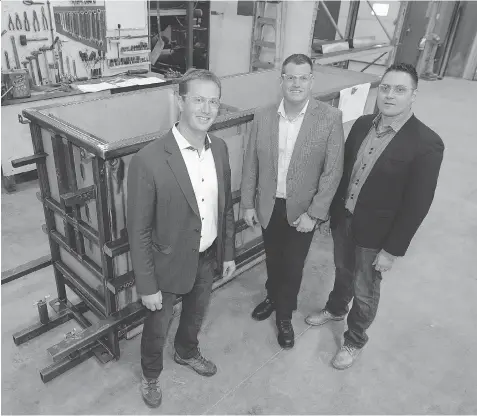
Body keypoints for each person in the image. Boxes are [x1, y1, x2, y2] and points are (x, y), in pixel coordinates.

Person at [305, 63, 445, 370]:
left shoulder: (426, 144)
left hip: (377, 235)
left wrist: (392, 250)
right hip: (346, 220)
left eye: (400, 89)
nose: (390, 95)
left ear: (413, 95)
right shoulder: (362, 124)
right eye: (385, 88)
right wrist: (331, 214)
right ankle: (336, 308)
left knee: (365, 289)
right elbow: (343, 173)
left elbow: (417, 204)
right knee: (342, 271)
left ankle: (355, 340)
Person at [127, 68, 236, 408]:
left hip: (206, 255)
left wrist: (228, 251)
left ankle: (187, 351)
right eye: (198, 100)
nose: (206, 109)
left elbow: (225, 206)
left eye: (213, 101)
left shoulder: (219, 148)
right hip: (166, 265)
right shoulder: (149, 160)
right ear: (180, 101)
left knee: (196, 314)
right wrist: (146, 285)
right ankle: (151, 375)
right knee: (157, 328)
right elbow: (139, 229)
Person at [240, 53, 345, 349]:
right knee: (273, 258)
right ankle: (272, 297)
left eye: (302, 77)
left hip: (304, 211)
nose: (296, 83)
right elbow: (251, 164)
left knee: (293, 265)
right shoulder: (263, 116)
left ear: (311, 81)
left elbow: (332, 171)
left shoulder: (329, 118)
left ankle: (284, 316)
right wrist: (248, 203)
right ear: (282, 80)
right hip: (269, 205)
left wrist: (315, 213)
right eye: (290, 77)